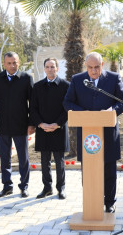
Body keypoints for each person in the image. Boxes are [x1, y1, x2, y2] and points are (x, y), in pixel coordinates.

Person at [63, 52, 123, 213]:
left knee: (109, 170)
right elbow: (67, 101)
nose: (93, 71)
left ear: (103, 64)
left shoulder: (113, 78)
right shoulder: (78, 79)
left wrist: (111, 111)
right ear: (86, 66)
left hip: (108, 133)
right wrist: (83, 113)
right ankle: (92, 201)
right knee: (89, 170)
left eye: (97, 67)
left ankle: (109, 202)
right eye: (90, 67)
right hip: (87, 134)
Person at [0, 52, 35, 198]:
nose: (12, 66)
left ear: (19, 62)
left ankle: (24, 186)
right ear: (4, 64)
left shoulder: (26, 78)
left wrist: (31, 124)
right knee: (5, 158)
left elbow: (32, 103)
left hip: (21, 125)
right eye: (9, 63)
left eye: (14, 62)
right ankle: (7, 186)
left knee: (23, 158)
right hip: (2, 125)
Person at [30, 58, 69, 200]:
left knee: (60, 161)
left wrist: (57, 124)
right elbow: (32, 109)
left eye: (53, 66)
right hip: (43, 129)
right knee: (44, 160)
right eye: (47, 67)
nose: (50, 69)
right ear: (44, 69)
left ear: (57, 68)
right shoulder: (37, 86)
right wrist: (41, 124)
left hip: (59, 128)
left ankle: (61, 188)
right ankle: (47, 188)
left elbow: (67, 108)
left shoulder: (65, 85)